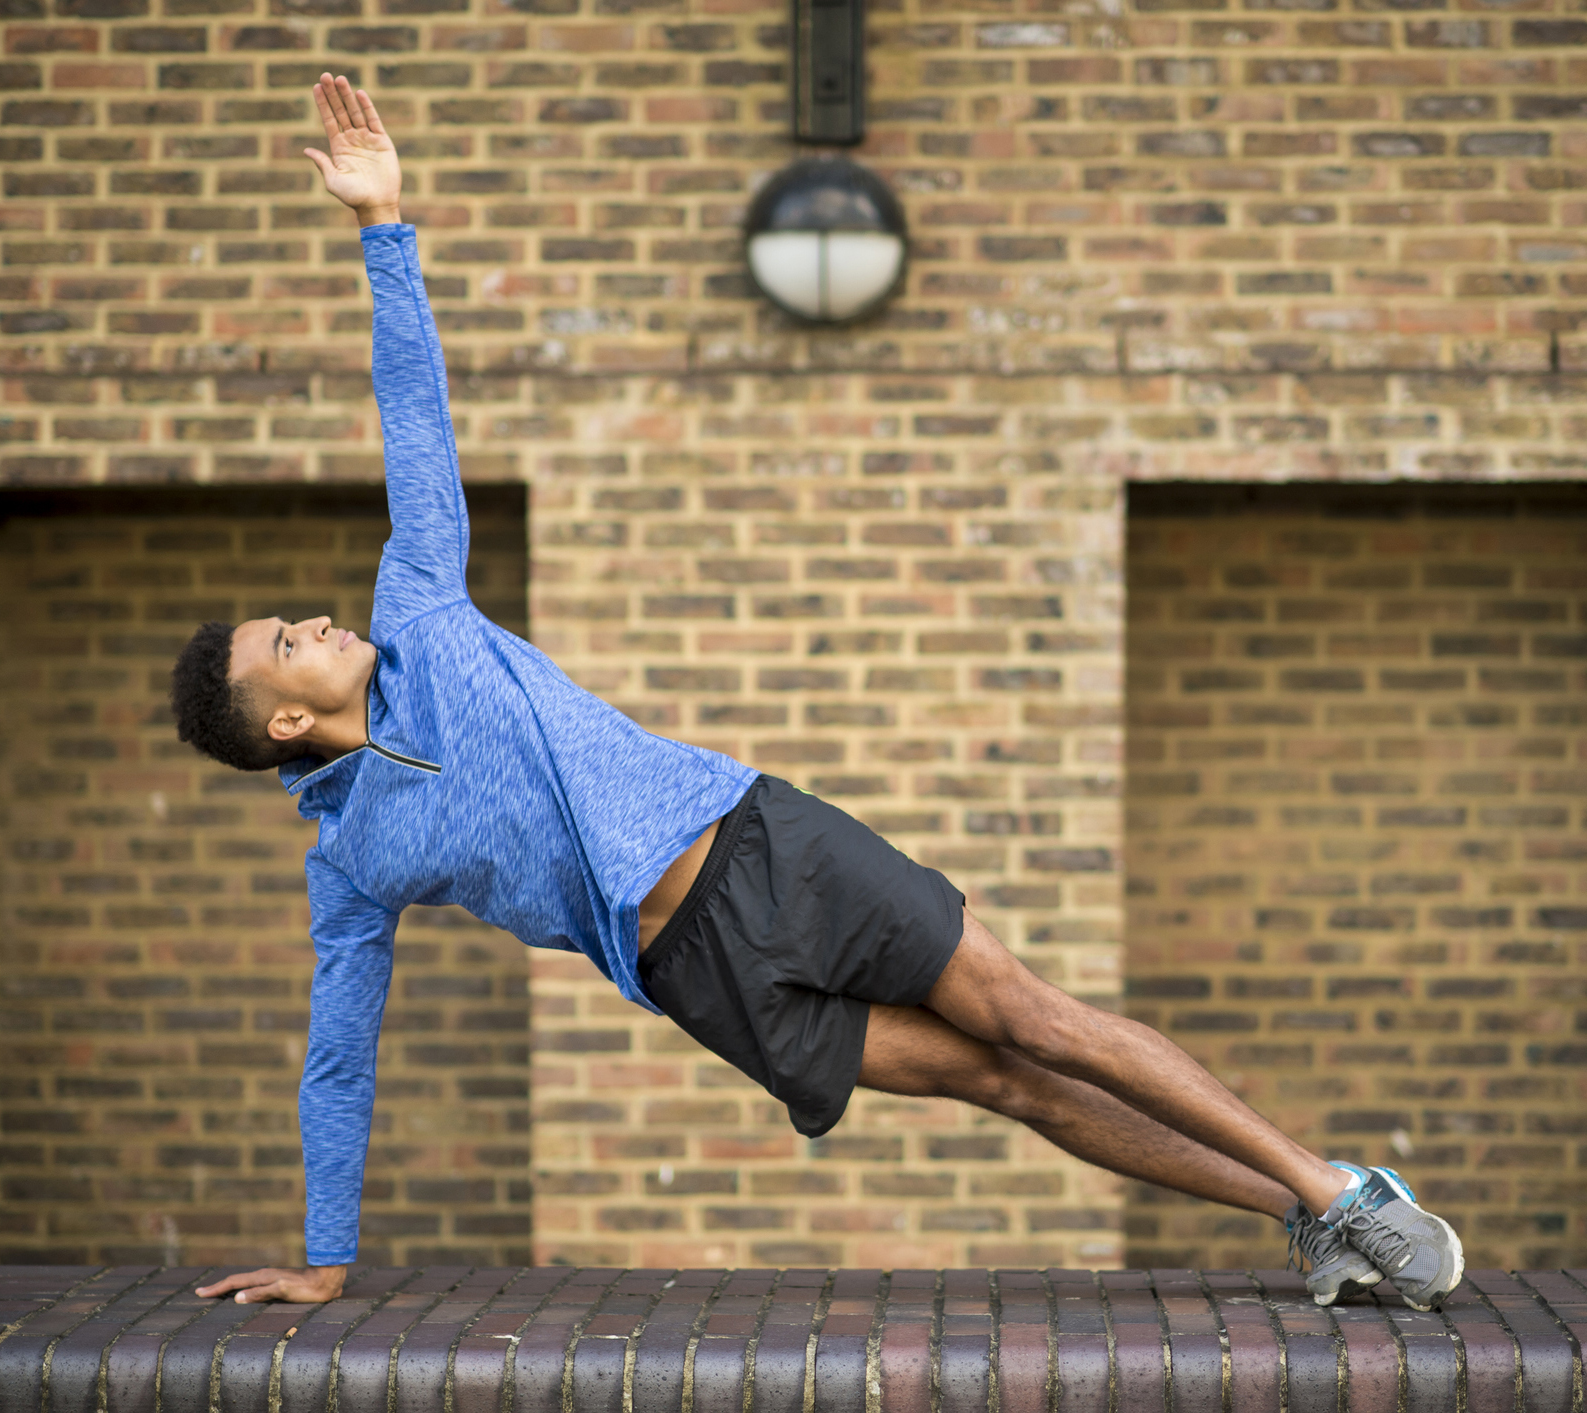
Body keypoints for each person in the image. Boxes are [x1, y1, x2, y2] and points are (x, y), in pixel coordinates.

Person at [173, 75, 1465, 1312]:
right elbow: (340, 1053)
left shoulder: (424, 611)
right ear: (284, 723)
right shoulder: (352, 860)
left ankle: (1335, 1185)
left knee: (1029, 1015)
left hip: (767, 844)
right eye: (290, 641)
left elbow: (414, 415)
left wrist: (385, 227)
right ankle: (1299, 1217)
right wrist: (325, 1256)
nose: (321, 621)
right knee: (999, 1083)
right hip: (700, 971)